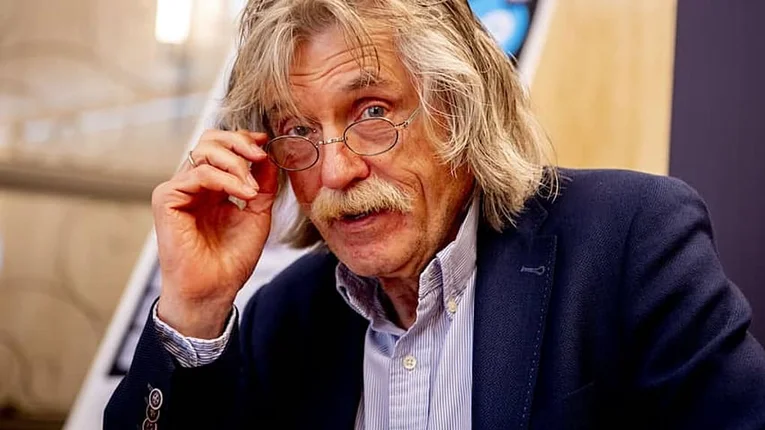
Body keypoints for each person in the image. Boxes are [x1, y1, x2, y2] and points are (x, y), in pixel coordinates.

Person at [105, 0, 765, 429]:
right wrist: (194, 309)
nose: (334, 171)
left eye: (372, 112)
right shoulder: (284, 319)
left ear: (461, 110)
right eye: (298, 131)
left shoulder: (629, 242)